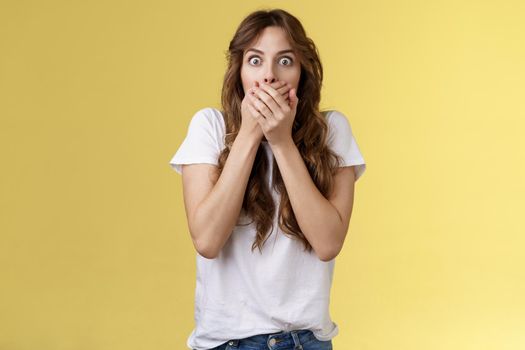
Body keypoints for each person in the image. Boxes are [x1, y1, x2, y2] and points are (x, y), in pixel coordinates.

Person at [169, 8, 366, 350]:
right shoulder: (209, 128)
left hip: (304, 342)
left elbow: (328, 243)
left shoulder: (332, 130)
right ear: (239, 71)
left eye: (285, 61)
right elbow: (207, 240)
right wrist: (249, 134)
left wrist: (281, 141)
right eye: (256, 60)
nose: (269, 76)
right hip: (227, 343)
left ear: (303, 72)